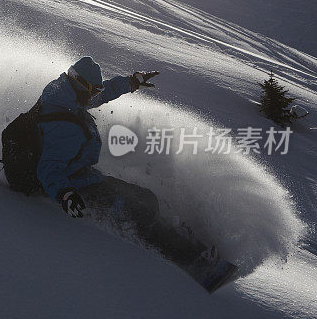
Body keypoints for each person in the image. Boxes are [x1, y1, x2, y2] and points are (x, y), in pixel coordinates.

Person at [37, 57, 211, 268]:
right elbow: (47, 168)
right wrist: (65, 194)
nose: (95, 97)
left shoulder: (69, 98)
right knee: (138, 213)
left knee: (146, 198)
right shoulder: (61, 121)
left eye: (96, 93)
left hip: (83, 177)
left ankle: (182, 238)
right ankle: (191, 260)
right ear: (81, 85)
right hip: (73, 189)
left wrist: (131, 82)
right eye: (93, 92)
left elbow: (105, 92)